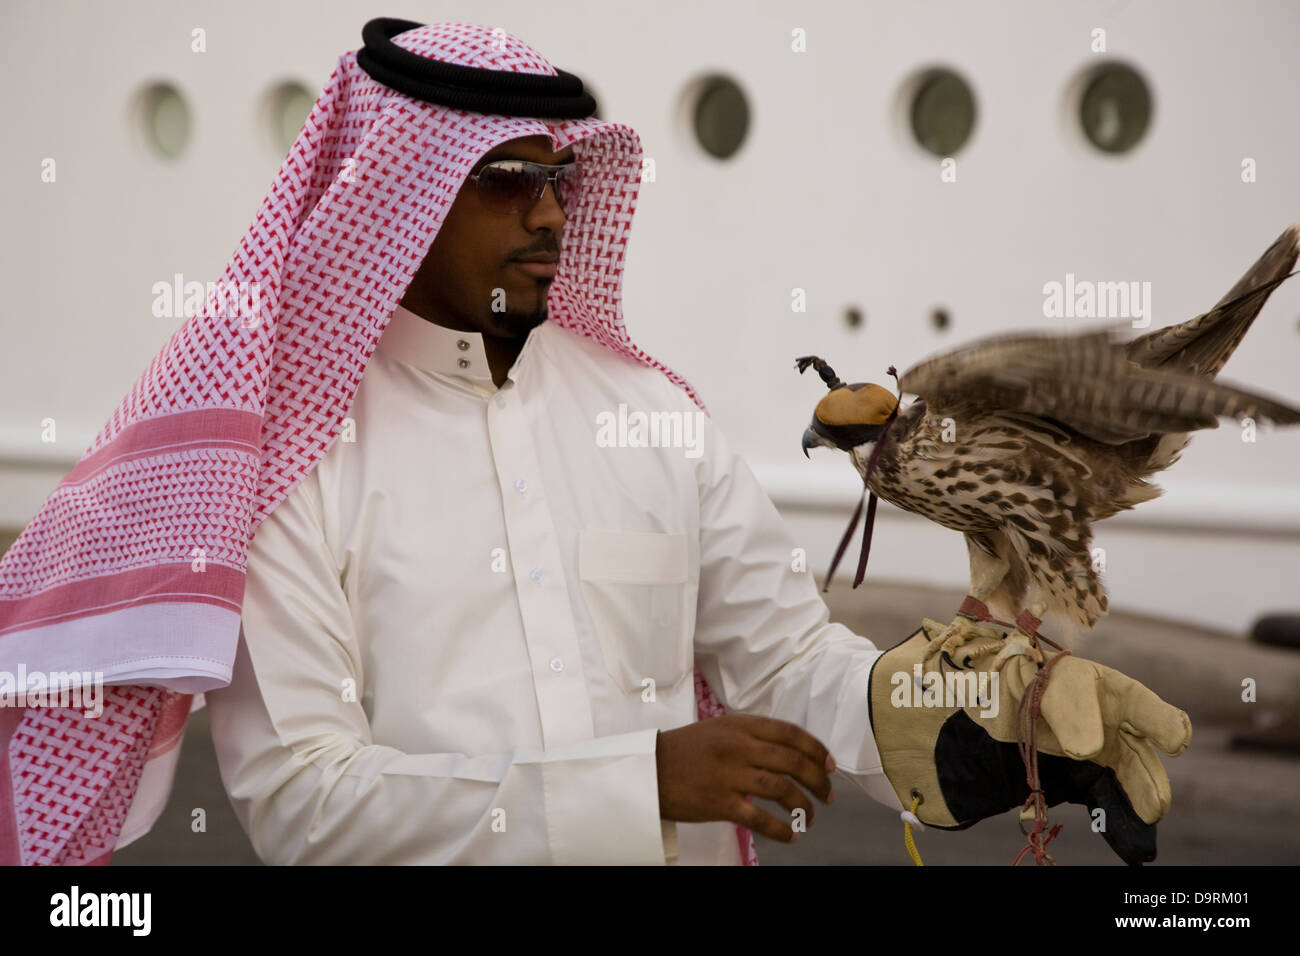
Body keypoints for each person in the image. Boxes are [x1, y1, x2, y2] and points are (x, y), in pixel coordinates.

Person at [0, 18, 1188, 867]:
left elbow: (785, 666)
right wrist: (638, 784)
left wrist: (959, 709)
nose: (553, 212)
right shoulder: (299, 462)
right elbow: (308, 804)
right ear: (394, 204)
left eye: (560, 176)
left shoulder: (650, 415)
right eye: (507, 182)